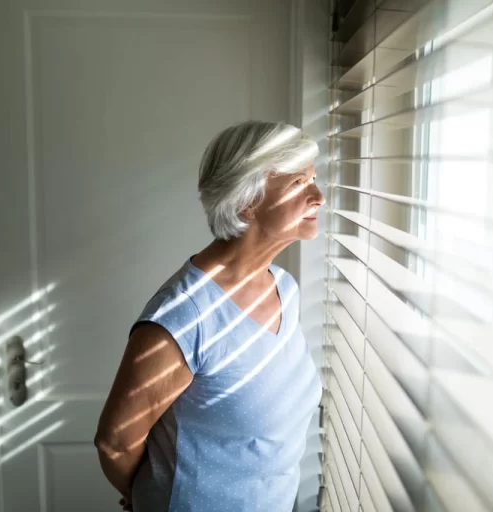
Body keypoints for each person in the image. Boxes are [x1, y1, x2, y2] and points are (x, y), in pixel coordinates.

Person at [94, 121, 325, 511]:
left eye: (314, 179)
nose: (319, 196)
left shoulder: (284, 288)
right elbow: (115, 441)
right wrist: (146, 498)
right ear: (246, 203)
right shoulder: (185, 316)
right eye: (298, 184)